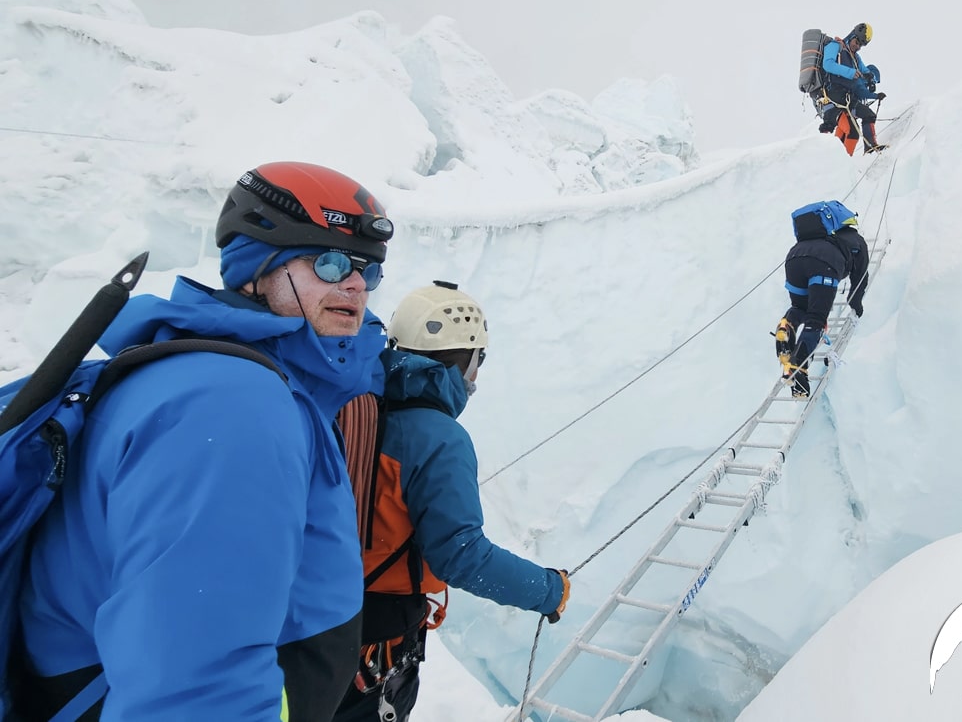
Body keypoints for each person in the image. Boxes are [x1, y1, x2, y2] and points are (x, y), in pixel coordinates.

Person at [14, 162, 394, 722]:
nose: (355, 284)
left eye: (366, 270)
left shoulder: (238, 382)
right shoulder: (233, 404)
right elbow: (194, 691)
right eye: (329, 262)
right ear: (255, 270)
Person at [333, 281, 570, 722]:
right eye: (478, 360)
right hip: (378, 636)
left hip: (328, 621)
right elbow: (462, 557)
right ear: (462, 362)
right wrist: (549, 590)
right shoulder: (439, 438)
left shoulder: (361, 407)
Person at [775, 205, 869, 397]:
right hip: (824, 263)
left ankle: (787, 325)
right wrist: (856, 305)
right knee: (817, 319)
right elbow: (860, 278)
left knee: (800, 307)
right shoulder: (856, 241)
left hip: (793, 259)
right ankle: (798, 365)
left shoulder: (825, 237)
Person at [816, 22, 888, 155]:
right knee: (848, 129)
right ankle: (840, 162)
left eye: (861, 45)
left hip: (847, 98)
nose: (858, 46)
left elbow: (865, 71)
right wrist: (850, 72)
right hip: (833, 97)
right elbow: (827, 64)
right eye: (857, 42)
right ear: (852, 35)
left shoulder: (855, 57)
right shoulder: (835, 46)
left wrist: (871, 79)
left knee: (863, 121)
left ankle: (867, 151)